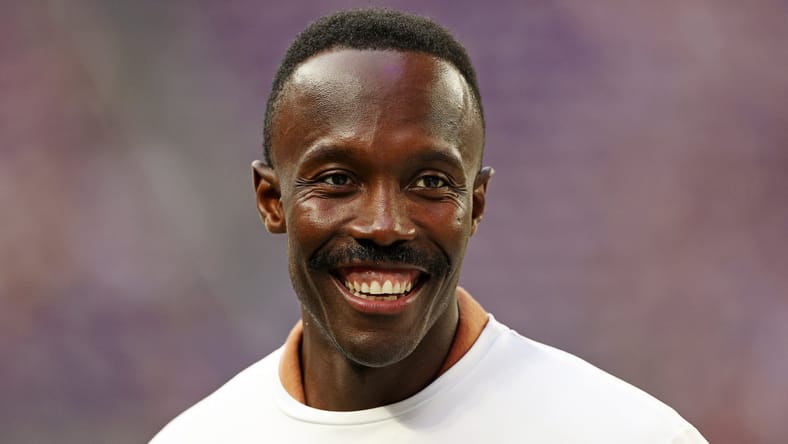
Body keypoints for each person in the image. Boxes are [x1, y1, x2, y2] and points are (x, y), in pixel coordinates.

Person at [152, 9, 707, 443]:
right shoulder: (199, 438)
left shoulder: (629, 436)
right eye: (339, 179)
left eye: (431, 183)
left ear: (477, 204)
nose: (384, 225)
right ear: (271, 200)